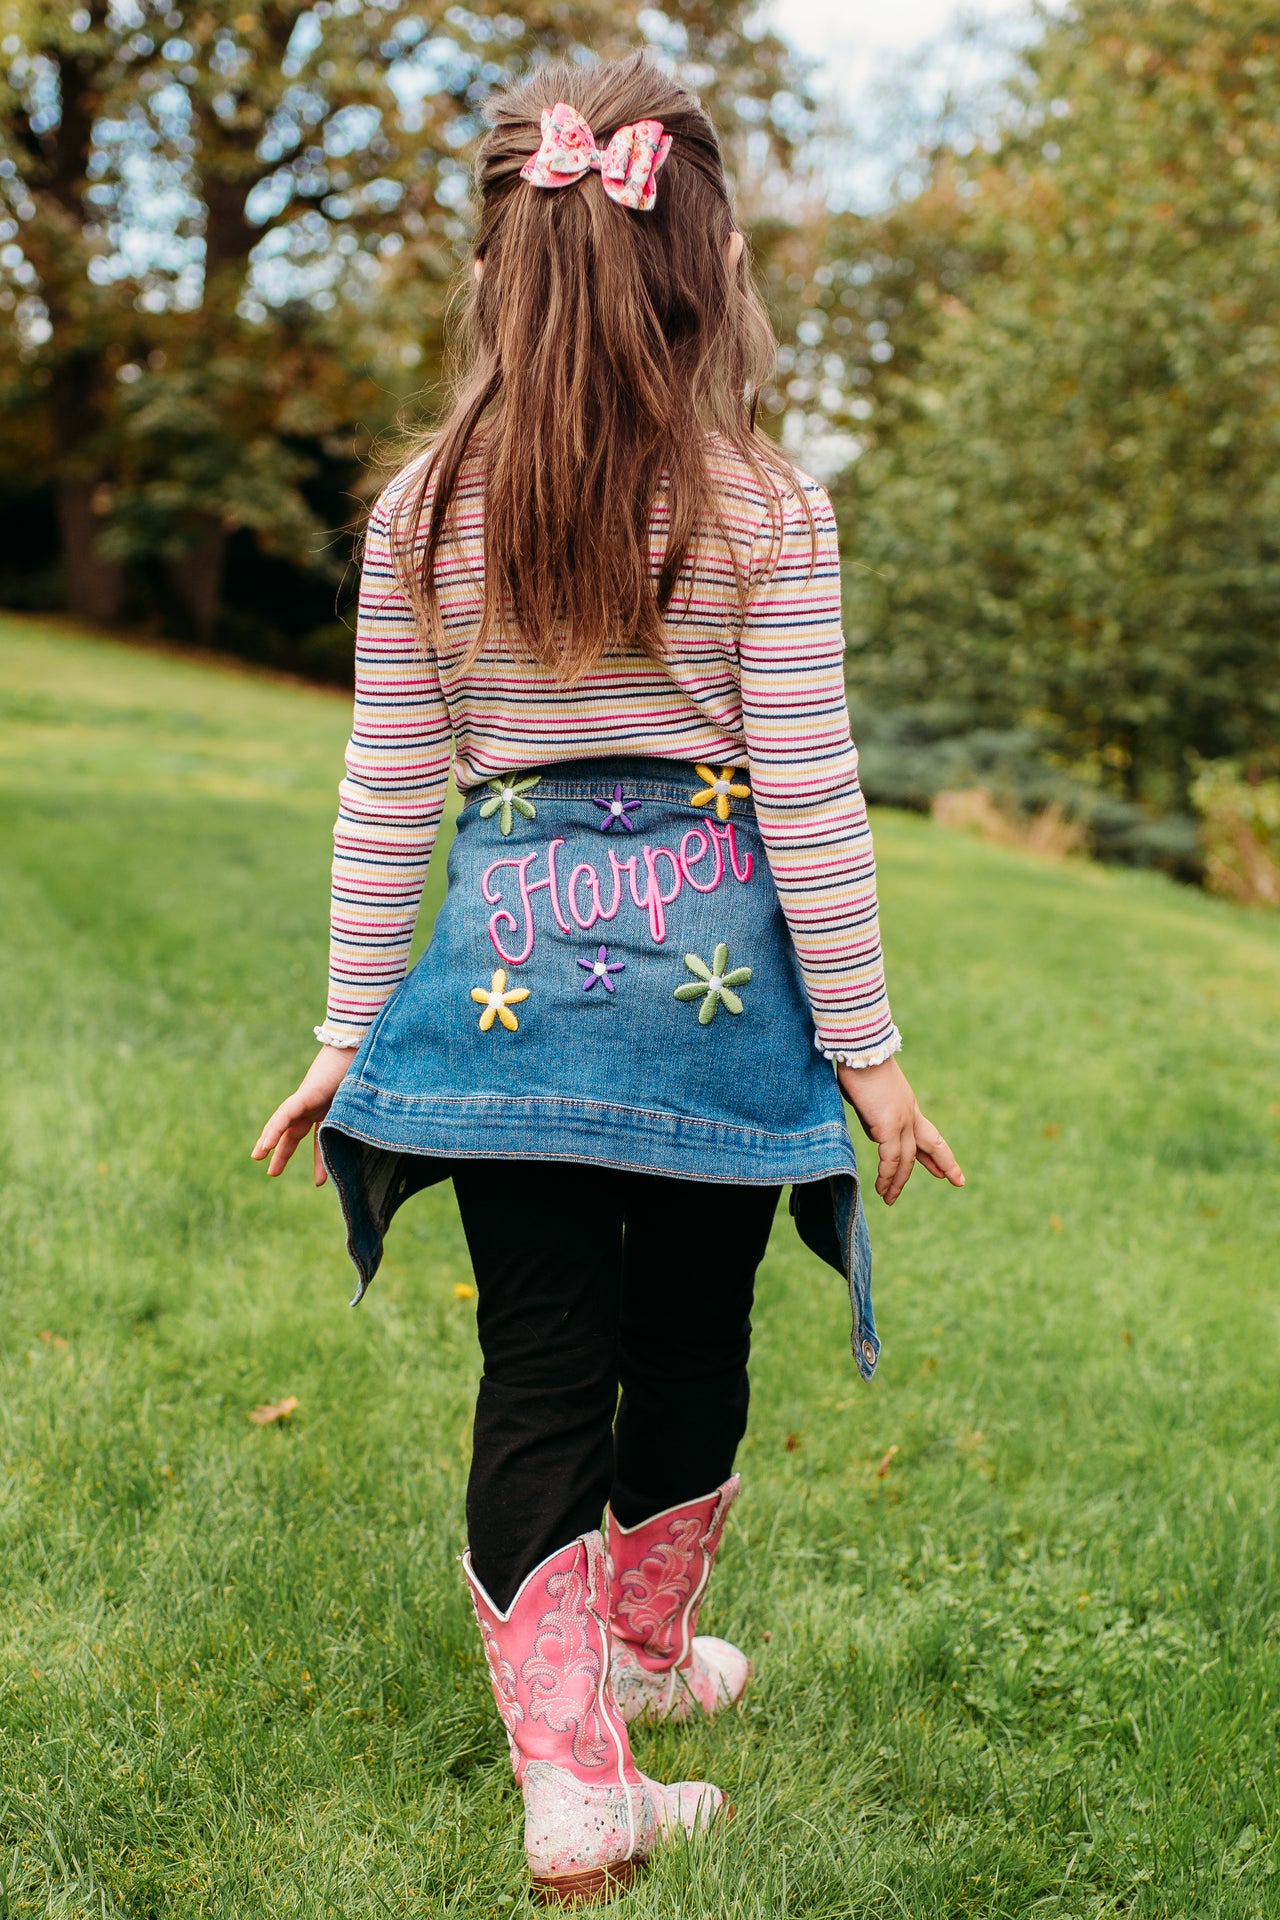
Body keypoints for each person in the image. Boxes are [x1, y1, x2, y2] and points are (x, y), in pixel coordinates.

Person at [252, 53, 963, 1909]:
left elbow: (390, 791)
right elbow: (808, 797)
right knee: (691, 1344)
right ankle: (637, 1659)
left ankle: (584, 1777)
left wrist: (348, 1026)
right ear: (708, 265)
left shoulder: (423, 512)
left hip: (502, 1017)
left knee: (540, 1369)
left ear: (500, 264)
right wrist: (872, 1056)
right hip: (712, 1036)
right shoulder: (761, 509)